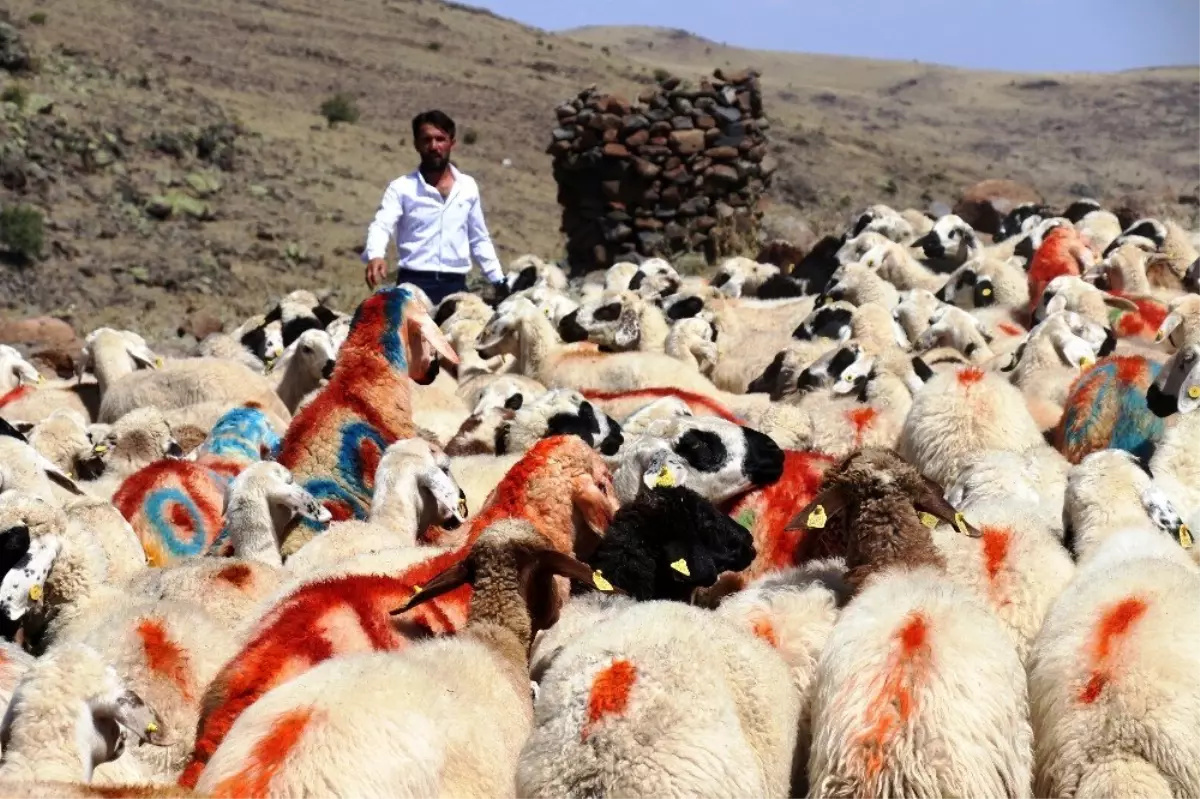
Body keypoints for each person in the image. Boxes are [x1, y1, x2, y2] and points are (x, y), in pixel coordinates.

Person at [362, 109, 506, 305]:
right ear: (416, 145)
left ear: (451, 143)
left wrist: (498, 279)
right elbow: (382, 224)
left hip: (455, 287)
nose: (434, 146)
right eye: (426, 140)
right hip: (413, 286)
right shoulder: (402, 188)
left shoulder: (467, 187)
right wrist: (376, 255)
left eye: (440, 139)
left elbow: (479, 238)